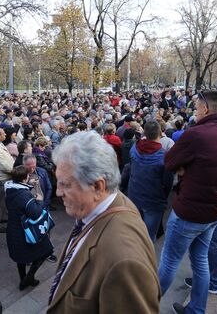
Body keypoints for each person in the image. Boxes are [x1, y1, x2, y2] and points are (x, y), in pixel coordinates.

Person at [47, 131, 160, 313]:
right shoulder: (105, 204)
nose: (58, 192)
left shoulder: (124, 262)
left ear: (98, 186)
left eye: (65, 184)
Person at [160, 90, 217, 314]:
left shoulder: (197, 134)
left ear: (205, 108)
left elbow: (169, 161)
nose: (194, 112)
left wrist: (185, 169)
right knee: (200, 261)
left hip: (190, 211)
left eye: (196, 108)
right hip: (214, 210)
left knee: (169, 261)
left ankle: (143, 304)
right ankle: (196, 310)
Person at [5, 165, 54, 290]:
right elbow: (35, 213)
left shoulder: (10, 189)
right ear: (24, 178)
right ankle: (29, 278)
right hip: (26, 231)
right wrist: (40, 200)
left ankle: (23, 279)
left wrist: (28, 184)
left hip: (13, 229)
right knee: (46, 251)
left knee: (20, 258)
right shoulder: (24, 195)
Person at [128, 120, 172, 242]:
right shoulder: (164, 157)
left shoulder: (134, 148)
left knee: (136, 232)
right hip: (153, 201)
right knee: (148, 237)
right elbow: (168, 183)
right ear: (160, 133)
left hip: (135, 196)